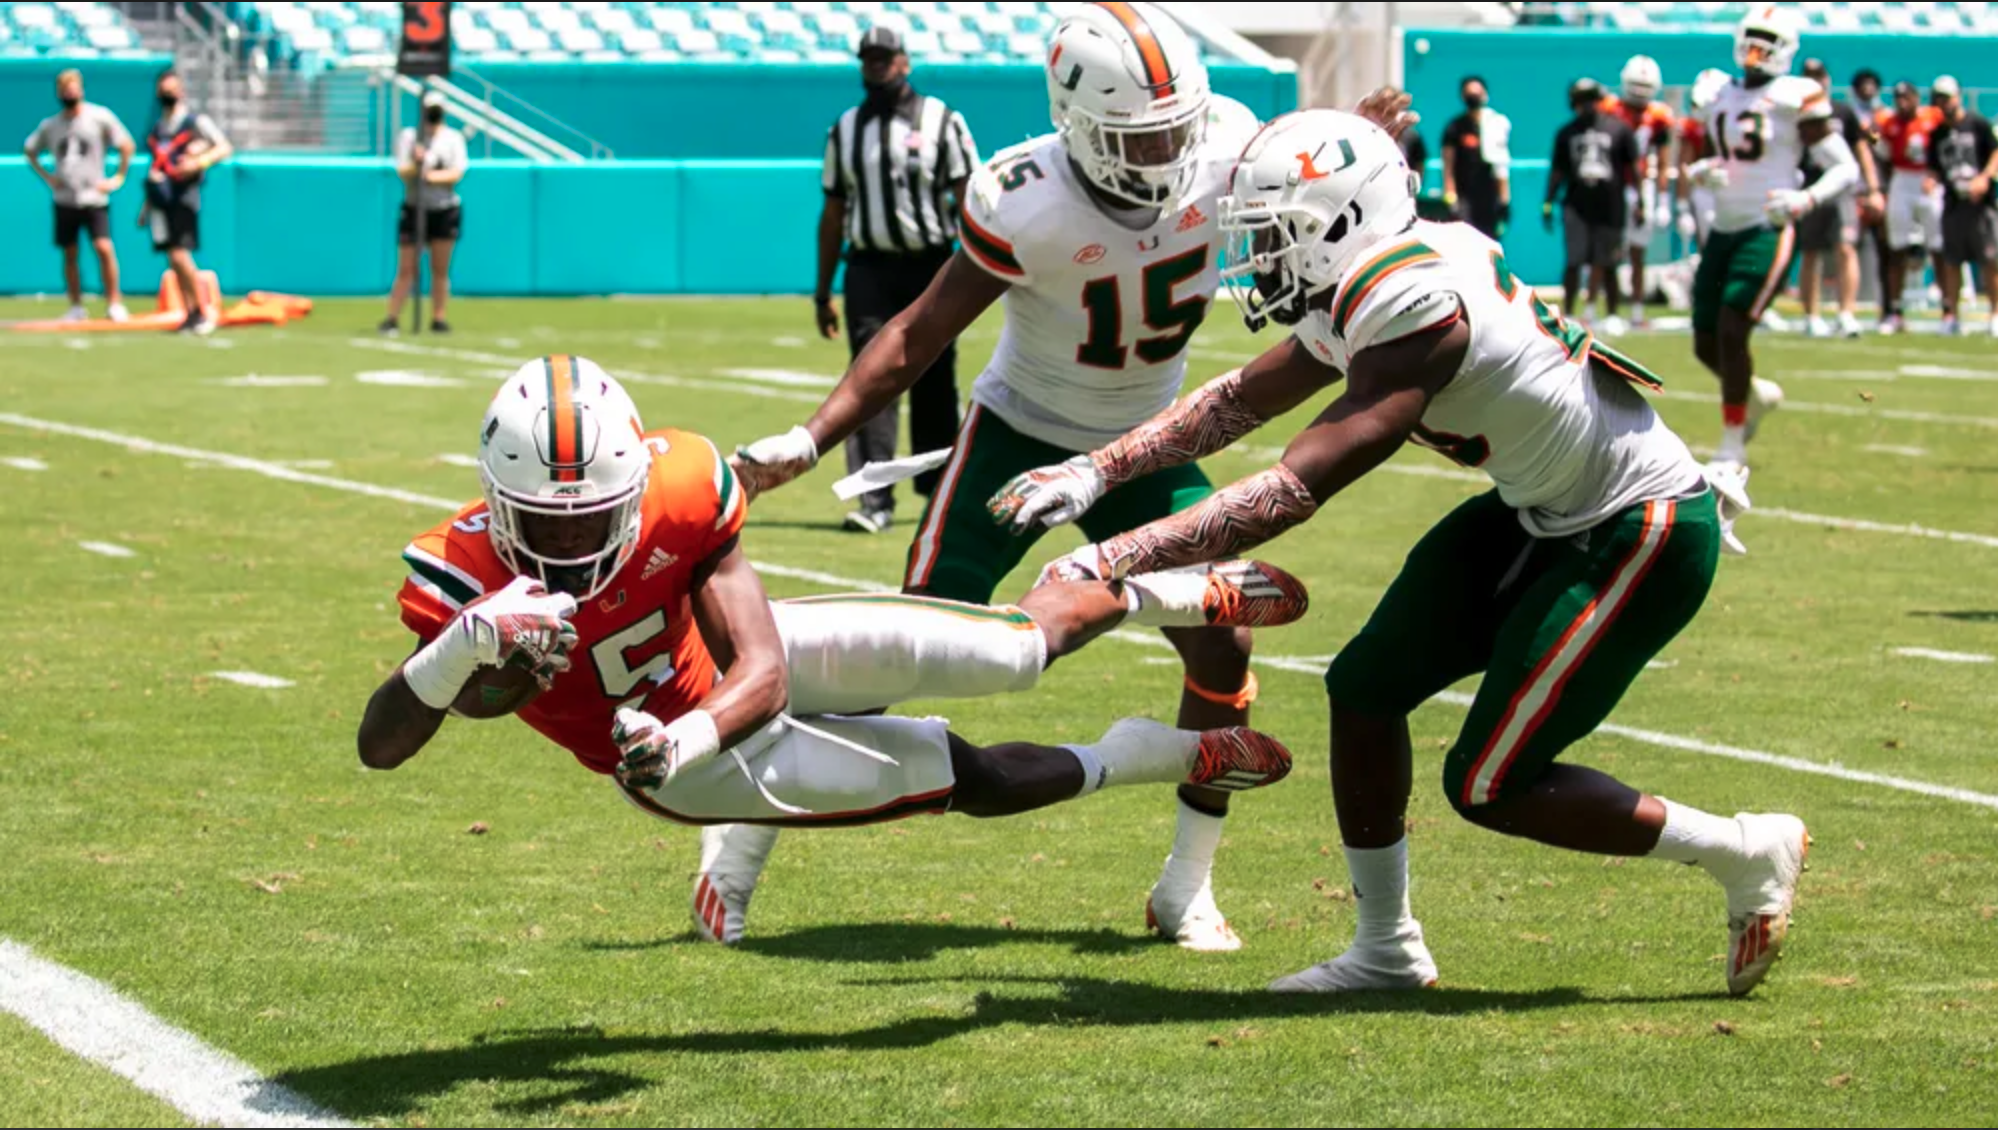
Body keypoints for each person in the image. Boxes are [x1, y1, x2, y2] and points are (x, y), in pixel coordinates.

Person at [993, 109, 1809, 998]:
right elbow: (1238, 399)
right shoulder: (1382, 270)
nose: (1262, 257)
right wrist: (1096, 468)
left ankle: (1744, 851)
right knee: (1366, 687)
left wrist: (1109, 557)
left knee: (1492, 782)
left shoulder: (1415, 305)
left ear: (1342, 221)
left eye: (1279, 234)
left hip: (1638, 527)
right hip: (1542, 509)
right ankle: (1387, 947)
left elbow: (1293, 486)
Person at [726, 0, 1412, 953]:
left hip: (1147, 442)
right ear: (1077, 125)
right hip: (1019, 436)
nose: (1168, 154)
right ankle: (741, 842)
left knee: (1225, 646)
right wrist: (810, 439)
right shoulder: (1024, 196)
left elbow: (1315, 189)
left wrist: (1353, 147)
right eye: (1141, 137)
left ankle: (1187, 885)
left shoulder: (1227, 147)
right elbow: (919, 333)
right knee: (899, 653)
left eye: (1178, 128)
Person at [358, 356, 1308, 942]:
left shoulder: (684, 483)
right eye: (542, 523)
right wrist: (454, 654)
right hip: (690, 778)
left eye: (590, 520)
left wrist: (685, 733)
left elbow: (765, 675)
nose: (567, 545)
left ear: (633, 486)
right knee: (965, 779)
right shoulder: (460, 570)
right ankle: (1153, 754)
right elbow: (383, 745)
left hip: (724, 697)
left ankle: (1155, 588)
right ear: (495, 497)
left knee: (1015, 653)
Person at [814, 25, 979, 535]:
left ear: (905, 61)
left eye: (885, 58)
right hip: (868, 269)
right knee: (869, 378)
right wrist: (823, 290)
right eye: (869, 59)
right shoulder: (845, 128)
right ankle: (873, 498)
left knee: (934, 380)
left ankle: (937, 491)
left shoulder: (943, 121)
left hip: (931, 265)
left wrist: (978, 269)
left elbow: (973, 198)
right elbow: (834, 211)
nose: (876, 66)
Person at [1683, 4, 1856, 474]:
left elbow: (1845, 165)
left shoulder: (1795, 95)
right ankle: (1755, 394)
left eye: (1767, 40)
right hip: (1722, 228)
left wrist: (1806, 198)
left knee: (1734, 327)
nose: (1756, 49)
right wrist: (1700, 172)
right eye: (1751, 38)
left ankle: (1732, 441)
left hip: (1766, 226)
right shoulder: (1718, 89)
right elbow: (1706, 156)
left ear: (1785, 50)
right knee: (1704, 343)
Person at [23, 69, 133, 323]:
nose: (69, 93)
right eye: (64, 89)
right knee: (69, 252)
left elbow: (126, 144)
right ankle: (75, 305)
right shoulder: (51, 125)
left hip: (94, 197)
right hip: (65, 198)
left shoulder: (99, 116)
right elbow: (30, 150)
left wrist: (118, 177)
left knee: (103, 248)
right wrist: (48, 177)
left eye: (73, 88)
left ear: (81, 89)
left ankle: (114, 302)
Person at [1795, 59, 1882, 339]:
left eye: (1819, 76)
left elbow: (1862, 149)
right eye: (1810, 76)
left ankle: (1846, 313)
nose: (1815, 81)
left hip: (1841, 189)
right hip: (1809, 186)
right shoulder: (1793, 112)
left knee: (1846, 247)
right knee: (1811, 251)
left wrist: (1873, 188)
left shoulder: (1843, 111)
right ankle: (1812, 315)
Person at [142, 68, 232, 336]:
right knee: (172, 256)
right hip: (162, 196)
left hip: (184, 194)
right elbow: (156, 163)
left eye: (172, 89)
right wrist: (146, 205)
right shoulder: (159, 127)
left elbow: (223, 147)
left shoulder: (194, 122)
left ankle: (201, 310)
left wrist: (197, 162)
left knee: (181, 254)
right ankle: (190, 311)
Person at [1545, 78, 1638, 333]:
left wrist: (1639, 201)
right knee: (1574, 260)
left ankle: (1611, 313)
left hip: (1610, 204)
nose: (1586, 106)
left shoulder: (1619, 129)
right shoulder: (1566, 132)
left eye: (1590, 100)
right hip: (1576, 204)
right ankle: (1571, 312)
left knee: (1608, 260)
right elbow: (1558, 171)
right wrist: (1548, 202)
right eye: (1581, 101)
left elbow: (1632, 168)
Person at [380, 90, 467, 335]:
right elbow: (403, 171)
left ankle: (438, 318)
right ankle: (392, 317)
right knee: (406, 268)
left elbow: (456, 173)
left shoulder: (452, 138)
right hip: (415, 207)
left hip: (443, 209)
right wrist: (416, 164)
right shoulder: (410, 137)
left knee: (440, 269)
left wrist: (428, 176)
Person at [1603, 56, 1674, 328]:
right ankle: (1610, 311)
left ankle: (1635, 309)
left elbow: (1664, 160)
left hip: (1642, 184)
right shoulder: (1610, 108)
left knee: (1637, 251)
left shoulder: (1658, 116)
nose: (1640, 93)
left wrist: (1664, 199)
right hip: (1613, 185)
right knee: (1609, 248)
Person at [1925, 76, 1998, 336]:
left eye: (1947, 98)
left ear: (1958, 96)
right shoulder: (1937, 133)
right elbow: (1934, 166)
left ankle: (1995, 314)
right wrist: (1931, 181)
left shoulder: (1977, 124)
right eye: (1939, 99)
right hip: (1953, 203)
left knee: (1990, 260)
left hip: (1981, 204)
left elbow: (1994, 152)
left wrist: (1985, 178)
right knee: (1952, 261)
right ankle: (1952, 315)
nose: (1943, 104)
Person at [1441, 76, 1512, 241]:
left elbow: (1501, 167)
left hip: (1488, 196)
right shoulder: (1455, 127)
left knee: (1489, 241)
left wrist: (1504, 201)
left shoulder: (1495, 124)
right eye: (1469, 93)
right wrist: (1450, 195)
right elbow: (1448, 165)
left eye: (1477, 92)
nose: (1473, 97)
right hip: (1465, 195)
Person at [1673, 68, 1732, 253]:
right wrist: (1682, 208)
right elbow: (1685, 165)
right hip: (1706, 191)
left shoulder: (1737, 122)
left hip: (1735, 188)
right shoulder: (1693, 127)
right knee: (1709, 251)